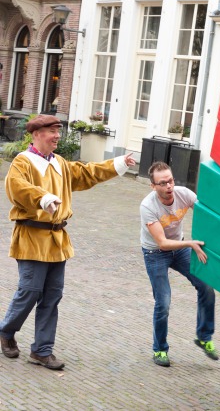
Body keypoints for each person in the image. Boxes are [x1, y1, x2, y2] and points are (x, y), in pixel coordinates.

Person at [0, 114, 136, 370]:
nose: (57, 136)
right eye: (52, 131)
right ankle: (6, 331)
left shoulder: (60, 163)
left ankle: (41, 350)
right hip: (31, 237)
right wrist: (43, 198)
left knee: (52, 295)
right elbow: (16, 187)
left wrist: (117, 163)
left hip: (57, 240)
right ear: (36, 134)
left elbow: (86, 173)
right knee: (30, 291)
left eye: (58, 131)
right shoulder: (23, 162)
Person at [140, 161, 217, 367]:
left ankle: (204, 337)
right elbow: (162, 243)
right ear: (153, 186)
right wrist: (190, 243)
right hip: (155, 253)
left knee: (207, 286)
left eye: (171, 181)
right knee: (163, 302)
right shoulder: (148, 206)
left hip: (180, 248)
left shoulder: (184, 194)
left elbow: (207, 214)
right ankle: (160, 349)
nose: (169, 186)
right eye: (163, 183)